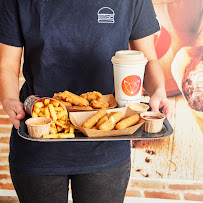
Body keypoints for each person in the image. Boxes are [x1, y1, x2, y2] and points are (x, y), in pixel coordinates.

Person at [0, 0, 173, 202]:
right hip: (40, 139)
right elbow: (7, 65)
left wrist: (159, 90)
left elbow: (147, 59)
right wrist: (9, 99)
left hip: (106, 142)